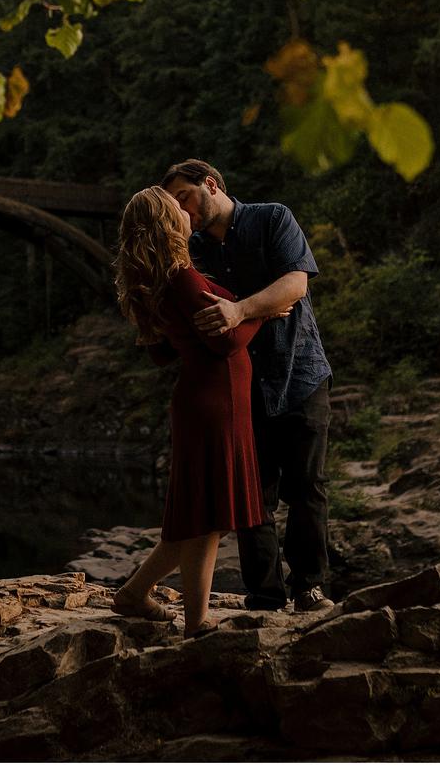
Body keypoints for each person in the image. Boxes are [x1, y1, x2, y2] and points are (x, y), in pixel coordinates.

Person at [161, 159, 335, 613]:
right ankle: (264, 596)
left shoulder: (272, 217)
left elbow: (295, 284)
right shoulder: (192, 251)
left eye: (185, 197)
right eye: (173, 203)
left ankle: (310, 588)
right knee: (254, 497)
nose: (182, 209)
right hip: (239, 387)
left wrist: (240, 311)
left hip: (300, 374)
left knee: (308, 488)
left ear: (211, 185)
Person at [109, 186, 267, 638]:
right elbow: (226, 339)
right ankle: (195, 622)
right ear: (166, 222)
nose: (185, 209)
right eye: (176, 205)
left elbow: (161, 353)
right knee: (206, 517)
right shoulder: (180, 276)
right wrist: (260, 313)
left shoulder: (165, 279)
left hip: (208, 400)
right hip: (214, 403)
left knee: (199, 516)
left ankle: (136, 595)